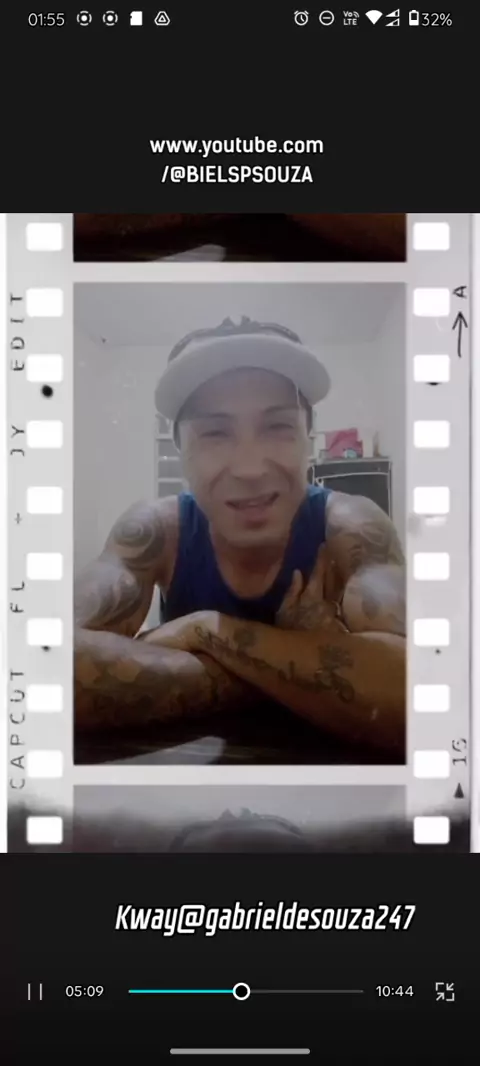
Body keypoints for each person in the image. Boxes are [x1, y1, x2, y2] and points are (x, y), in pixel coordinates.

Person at [75, 318, 405, 757]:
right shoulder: (155, 530)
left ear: (307, 440)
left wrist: (209, 631)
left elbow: (422, 690)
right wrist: (310, 658)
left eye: (278, 427)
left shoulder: (351, 526)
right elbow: (44, 665)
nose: (250, 468)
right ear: (181, 451)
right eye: (215, 433)